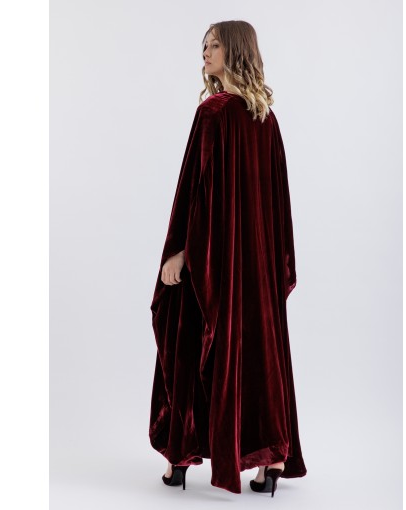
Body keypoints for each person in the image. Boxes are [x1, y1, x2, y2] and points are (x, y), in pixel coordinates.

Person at [149, 20, 307, 496]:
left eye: (214, 44)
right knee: (259, 354)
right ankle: (270, 460)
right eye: (204, 45)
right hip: (256, 265)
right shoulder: (267, 119)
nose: (205, 52)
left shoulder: (213, 113)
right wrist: (271, 264)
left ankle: (179, 457)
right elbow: (278, 205)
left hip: (215, 260)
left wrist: (178, 251)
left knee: (188, 340)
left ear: (235, 50)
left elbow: (192, 191)